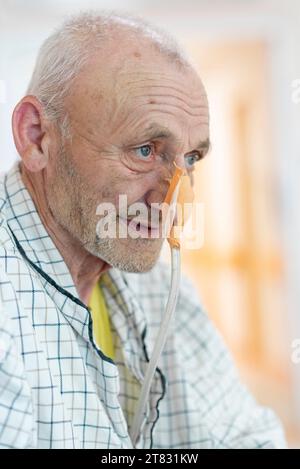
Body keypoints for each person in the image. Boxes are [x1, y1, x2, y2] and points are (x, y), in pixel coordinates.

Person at [0, 11, 286, 449]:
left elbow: (243, 434)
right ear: (37, 136)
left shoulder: (154, 278)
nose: (172, 202)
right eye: (145, 149)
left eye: (190, 159)